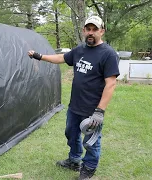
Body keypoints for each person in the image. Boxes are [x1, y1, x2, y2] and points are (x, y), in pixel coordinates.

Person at [28, 16, 120, 180]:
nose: (91, 33)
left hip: (92, 110)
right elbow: (61, 58)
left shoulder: (108, 54)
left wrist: (100, 111)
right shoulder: (79, 50)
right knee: (71, 134)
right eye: (88, 29)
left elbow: (111, 84)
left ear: (102, 31)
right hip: (74, 106)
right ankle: (74, 160)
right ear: (84, 30)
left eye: (95, 29)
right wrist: (39, 56)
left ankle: (89, 168)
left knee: (91, 141)